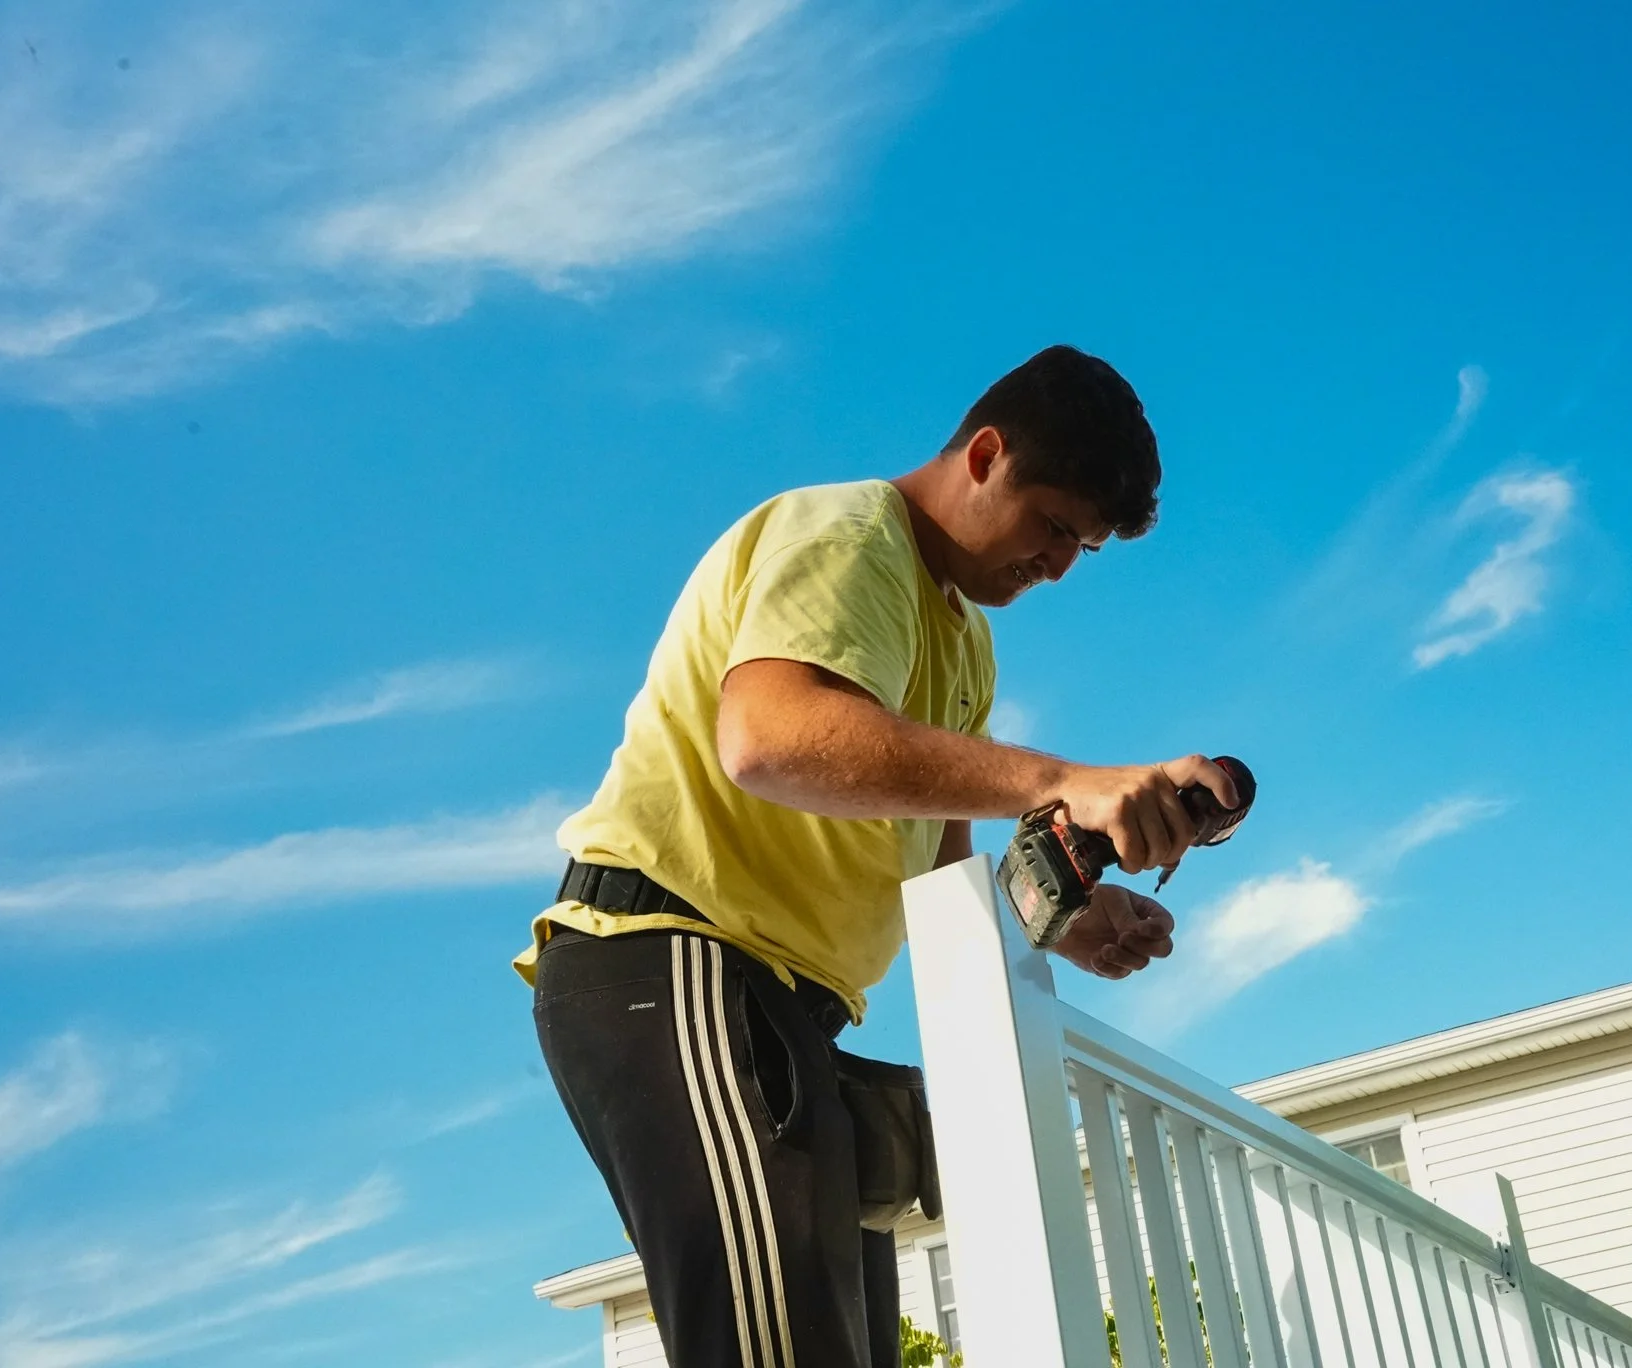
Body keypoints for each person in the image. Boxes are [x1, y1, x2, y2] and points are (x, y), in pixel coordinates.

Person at [517, 344, 1238, 1368]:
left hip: (790, 1015)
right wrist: (1058, 779)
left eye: (1082, 547)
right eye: (1051, 525)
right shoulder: (847, 534)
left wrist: (1065, 920)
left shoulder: (965, 645)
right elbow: (770, 737)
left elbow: (939, 881)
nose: (1060, 564)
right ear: (984, 454)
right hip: (671, 957)